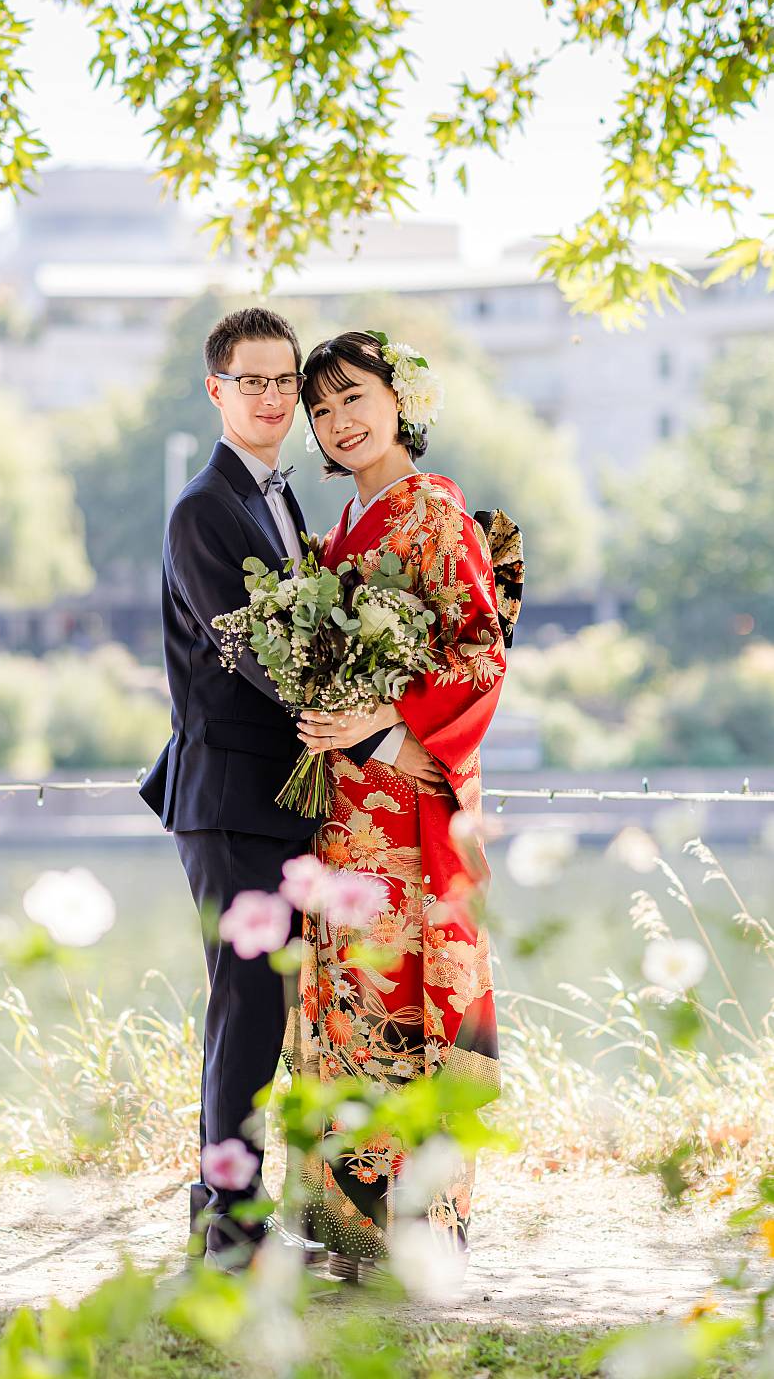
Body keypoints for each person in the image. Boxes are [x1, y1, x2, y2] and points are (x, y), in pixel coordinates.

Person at [139, 308, 439, 1269]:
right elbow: (260, 655)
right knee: (246, 1017)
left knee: (270, 1015)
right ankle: (224, 1228)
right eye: (252, 381)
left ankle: (249, 1217)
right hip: (230, 799)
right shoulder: (202, 508)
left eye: (285, 385)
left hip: (282, 798)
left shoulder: (281, 499)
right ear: (217, 390)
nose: (272, 399)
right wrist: (374, 723)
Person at [283, 329, 524, 1281]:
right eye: (323, 410)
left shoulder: (432, 513)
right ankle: (354, 1234)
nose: (340, 422)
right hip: (345, 820)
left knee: (407, 1006)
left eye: (355, 399)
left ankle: (420, 1239)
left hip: (407, 820)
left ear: (398, 400)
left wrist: (379, 718)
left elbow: (480, 652)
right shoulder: (343, 527)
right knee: (347, 1007)